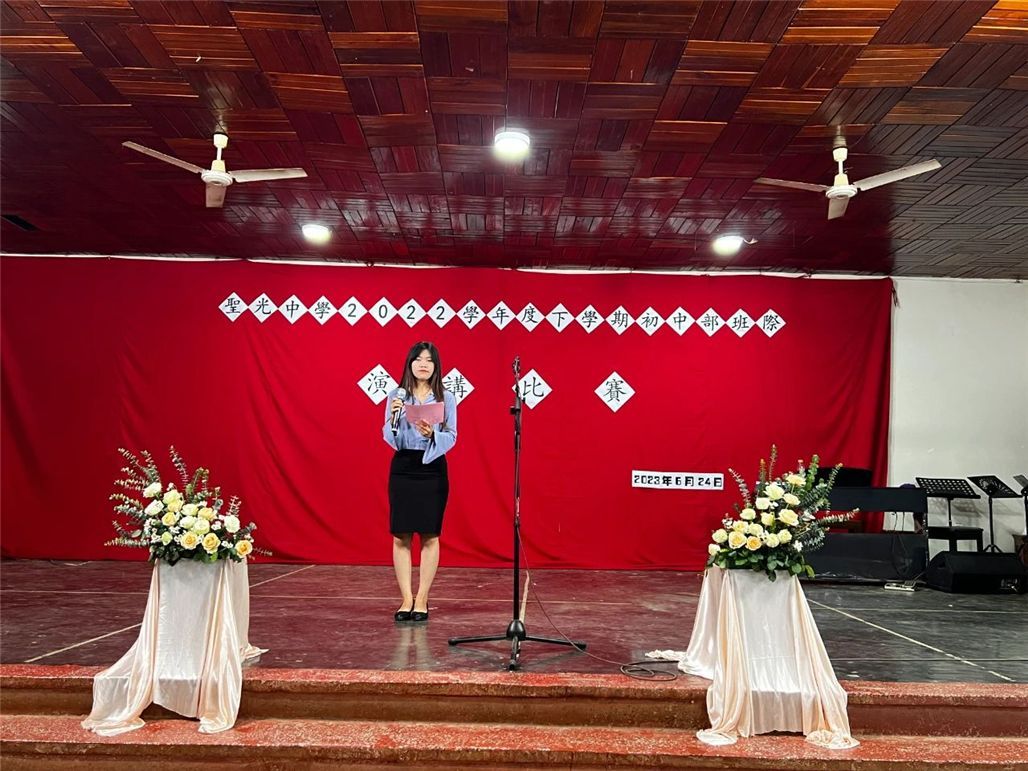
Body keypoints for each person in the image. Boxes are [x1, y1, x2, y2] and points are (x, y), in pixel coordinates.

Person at [383, 342, 457, 622]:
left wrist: (431, 435)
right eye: (418, 359)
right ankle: (406, 599)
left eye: (429, 360)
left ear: (436, 366)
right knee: (400, 535)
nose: (423, 364)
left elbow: (452, 435)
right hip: (403, 466)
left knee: (430, 535)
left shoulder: (446, 397)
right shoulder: (396, 395)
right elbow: (389, 435)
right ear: (410, 364)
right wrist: (395, 418)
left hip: (432, 466)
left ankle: (422, 598)